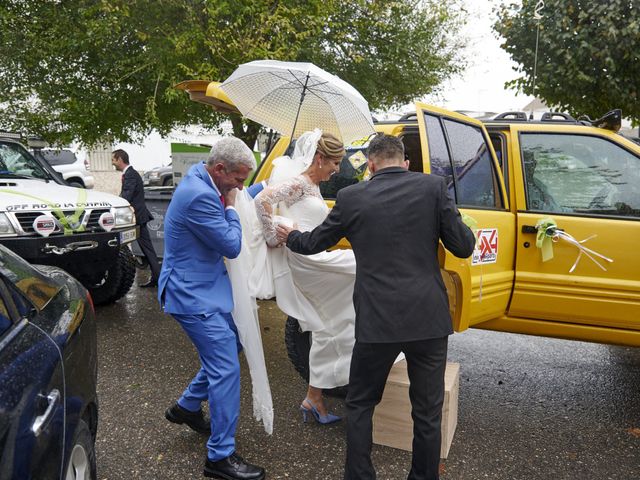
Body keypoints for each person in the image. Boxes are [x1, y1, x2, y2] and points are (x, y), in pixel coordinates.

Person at [277, 134, 476, 480]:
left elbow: (313, 243)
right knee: (428, 412)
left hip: (375, 320)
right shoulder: (434, 188)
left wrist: (290, 234)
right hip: (428, 320)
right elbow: (462, 246)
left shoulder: (351, 196)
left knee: (361, 404)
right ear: (405, 163)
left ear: (369, 165)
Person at [158, 137, 265, 480]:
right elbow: (232, 245)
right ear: (220, 169)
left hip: (207, 288)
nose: (240, 186)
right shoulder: (200, 196)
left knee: (233, 344)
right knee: (226, 370)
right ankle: (220, 458)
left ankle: (188, 407)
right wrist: (232, 207)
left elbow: (240, 193)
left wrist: (266, 187)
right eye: (238, 179)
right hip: (191, 295)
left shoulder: (205, 179)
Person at [253, 130, 354, 423]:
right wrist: (273, 235)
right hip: (306, 262)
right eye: (334, 163)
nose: (337, 170)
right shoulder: (299, 183)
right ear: (319, 158)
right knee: (363, 266)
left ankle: (314, 399)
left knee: (326, 325)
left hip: (312, 257)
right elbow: (262, 200)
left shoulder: (314, 185)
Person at [111, 149, 161, 288]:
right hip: (136, 216)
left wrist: (114, 203)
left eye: (113, 160)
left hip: (136, 217)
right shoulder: (130, 174)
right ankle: (157, 277)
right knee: (147, 248)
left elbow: (127, 196)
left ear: (120, 159)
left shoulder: (130, 175)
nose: (112, 163)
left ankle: (158, 277)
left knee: (146, 248)